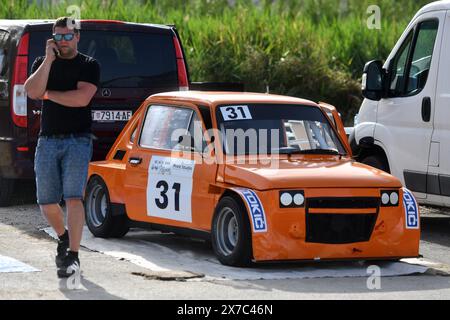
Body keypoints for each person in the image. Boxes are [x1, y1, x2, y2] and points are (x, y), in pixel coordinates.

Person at [24, 17, 100, 278]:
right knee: (46, 201)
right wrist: (48, 60)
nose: (64, 41)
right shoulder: (43, 63)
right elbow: (32, 90)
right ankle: (63, 238)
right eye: (59, 37)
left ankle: (74, 255)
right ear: (52, 38)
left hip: (78, 139)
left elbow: (81, 99)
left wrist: (50, 95)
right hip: (48, 140)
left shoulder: (89, 65)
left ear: (77, 37)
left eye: (69, 36)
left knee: (73, 197)